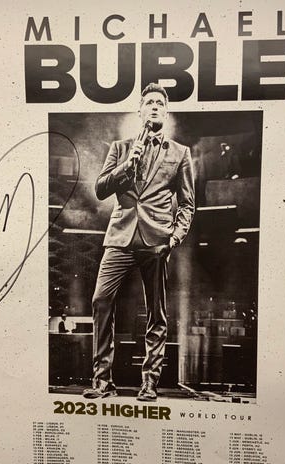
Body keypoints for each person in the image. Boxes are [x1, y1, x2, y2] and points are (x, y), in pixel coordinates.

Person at [83, 83, 195, 401]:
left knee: (156, 313)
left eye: (160, 103)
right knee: (101, 300)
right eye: (149, 102)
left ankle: (150, 382)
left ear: (166, 112)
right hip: (120, 235)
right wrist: (126, 165)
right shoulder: (120, 148)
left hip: (157, 240)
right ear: (141, 111)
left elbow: (188, 204)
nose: (155, 106)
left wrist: (174, 237)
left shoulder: (180, 153)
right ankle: (102, 382)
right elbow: (101, 189)